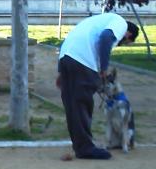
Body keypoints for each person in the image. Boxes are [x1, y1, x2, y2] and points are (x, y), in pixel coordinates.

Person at [57, 12, 138, 159]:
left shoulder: (100, 20)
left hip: (66, 56)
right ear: (128, 34)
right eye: (125, 42)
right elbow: (106, 38)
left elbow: (77, 39)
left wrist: (61, 72)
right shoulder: (120, 23)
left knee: (73, 107)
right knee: (82, 104)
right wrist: (103, 68)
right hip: (83, 60)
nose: (119, 43)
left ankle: (81, 146)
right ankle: (86, 148)